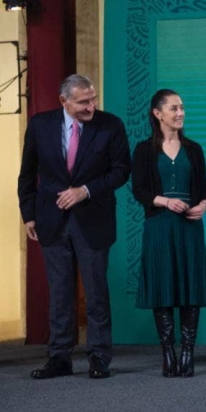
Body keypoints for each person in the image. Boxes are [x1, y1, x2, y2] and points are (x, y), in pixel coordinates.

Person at [17, 74, 131, 379]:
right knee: (60, 293)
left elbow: (121, 171)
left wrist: (85, 190)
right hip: (51, 221)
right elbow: (27, 174)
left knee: (95, 292)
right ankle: (59, 358)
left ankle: (99, 357)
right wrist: (29, 215)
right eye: (83, 101)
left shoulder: (111, 125)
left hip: (93, 219)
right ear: (64, 101)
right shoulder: (40, 125)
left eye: (93, 99)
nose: (91, 106)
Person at [131, 89, 206, 378]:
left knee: (190, 288)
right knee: (163, 287)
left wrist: (202, 205)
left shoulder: (194, 149)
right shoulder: (143, 150)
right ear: (157, 113)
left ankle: (188, 352)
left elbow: (204, 190)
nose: (180, 113)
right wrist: (165, 201)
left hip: (189, 227)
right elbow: (139, 190)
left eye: (182, 107)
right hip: (159, 226)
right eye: (174, 108)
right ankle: (168, 352)